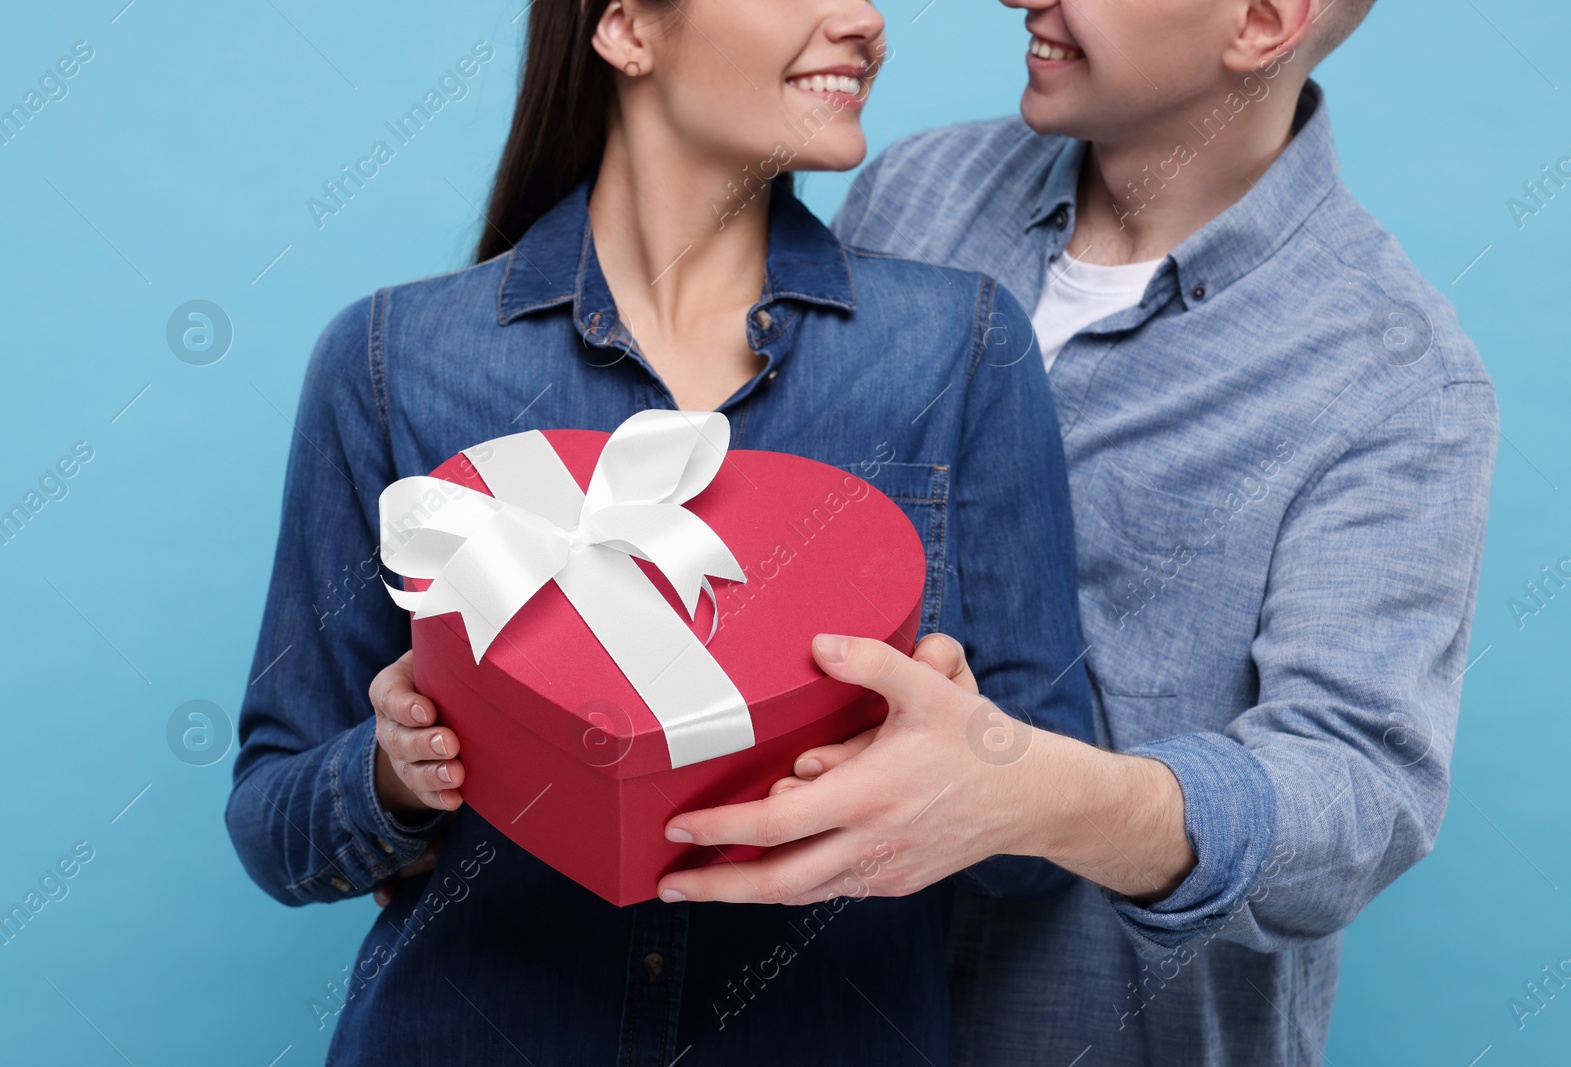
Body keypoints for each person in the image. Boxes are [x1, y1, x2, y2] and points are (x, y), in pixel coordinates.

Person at [225, 1, 1095, 1063]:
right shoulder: (391, 360)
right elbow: (274, 823)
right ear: (628, 28)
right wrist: (400, 770)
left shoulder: (958, 349)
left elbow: (1042, 847)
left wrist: (973, 774)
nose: (863, 20)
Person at [654, 1, 1500, 1064]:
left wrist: (1036, 797)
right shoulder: (913, 193)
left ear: (1261, 20)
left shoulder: (1395, 375)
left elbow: (1356, 799)